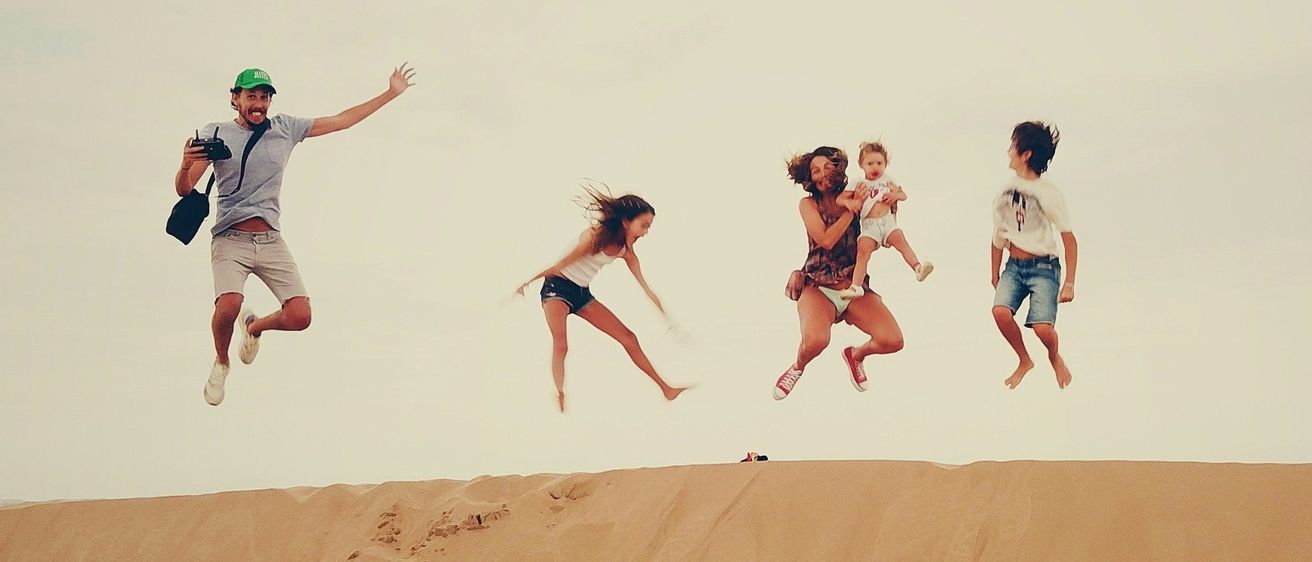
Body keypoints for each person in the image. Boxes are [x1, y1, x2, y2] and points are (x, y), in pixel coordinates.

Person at [174, 64, 416, 406]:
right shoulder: (216, 133)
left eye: (264, 97)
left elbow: (342, 120)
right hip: (230, 238)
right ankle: (221, 362)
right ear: (235, 99)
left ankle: (255, 328)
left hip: (270, 239)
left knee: (300, 316)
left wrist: (390, 93)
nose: (258, 102)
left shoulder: (286, 128)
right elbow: (185, 190)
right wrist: (185, 164)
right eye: (250, 96)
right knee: (229, 305)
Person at [513, 185, 689, 412]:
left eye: (648, 227)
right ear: (626, 221)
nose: (645, 232)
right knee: (562, 344)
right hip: (556, 288)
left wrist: (667, 317)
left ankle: (666, 389)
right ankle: (559, 392)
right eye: (643, 225)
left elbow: (646, 288)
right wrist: (527, 282)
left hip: (581, 293)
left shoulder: (626, 251)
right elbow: (560, 266)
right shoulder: (594, 237)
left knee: (629, 338)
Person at [775, 147, 905, 400]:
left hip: (852, 286)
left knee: (893, 340)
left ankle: (855, 355)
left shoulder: (857, 192)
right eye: (815, 171)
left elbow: (881, 224)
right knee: (816, 342)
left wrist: (890, 198)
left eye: (827, 168)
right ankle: (797, 367)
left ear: (838, 169)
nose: (822, 175)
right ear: (809, 178)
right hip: (818, 285)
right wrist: (850, 211)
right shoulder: (808, 204)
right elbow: (825, 240)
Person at [989, 121, 1078, 390]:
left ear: (1025, 153)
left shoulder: (1048, 192)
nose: (1008, 152)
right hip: (1013, 267)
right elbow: (998, 235)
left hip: (1044, 268)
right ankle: (1024, 359)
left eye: (1012, 147)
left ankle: (1053, 355)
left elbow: (1069, 239)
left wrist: (1070, 282)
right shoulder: (1004, 191)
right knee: (1000, 312)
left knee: (1042, 328)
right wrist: (994, 272)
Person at [837, 141, 933, 300]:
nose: (875, 167)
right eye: (870, 163)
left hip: (887, 221)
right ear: (861, 165)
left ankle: (917, 268)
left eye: (879, 163)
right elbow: (840, 199)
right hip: (870, 224)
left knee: (901, 241)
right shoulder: (858, 183)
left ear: (886, 164)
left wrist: (895, 196)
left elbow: (903, 195)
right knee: (863, 250)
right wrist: (850, 202)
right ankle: (856, 286)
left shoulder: (887, 180)